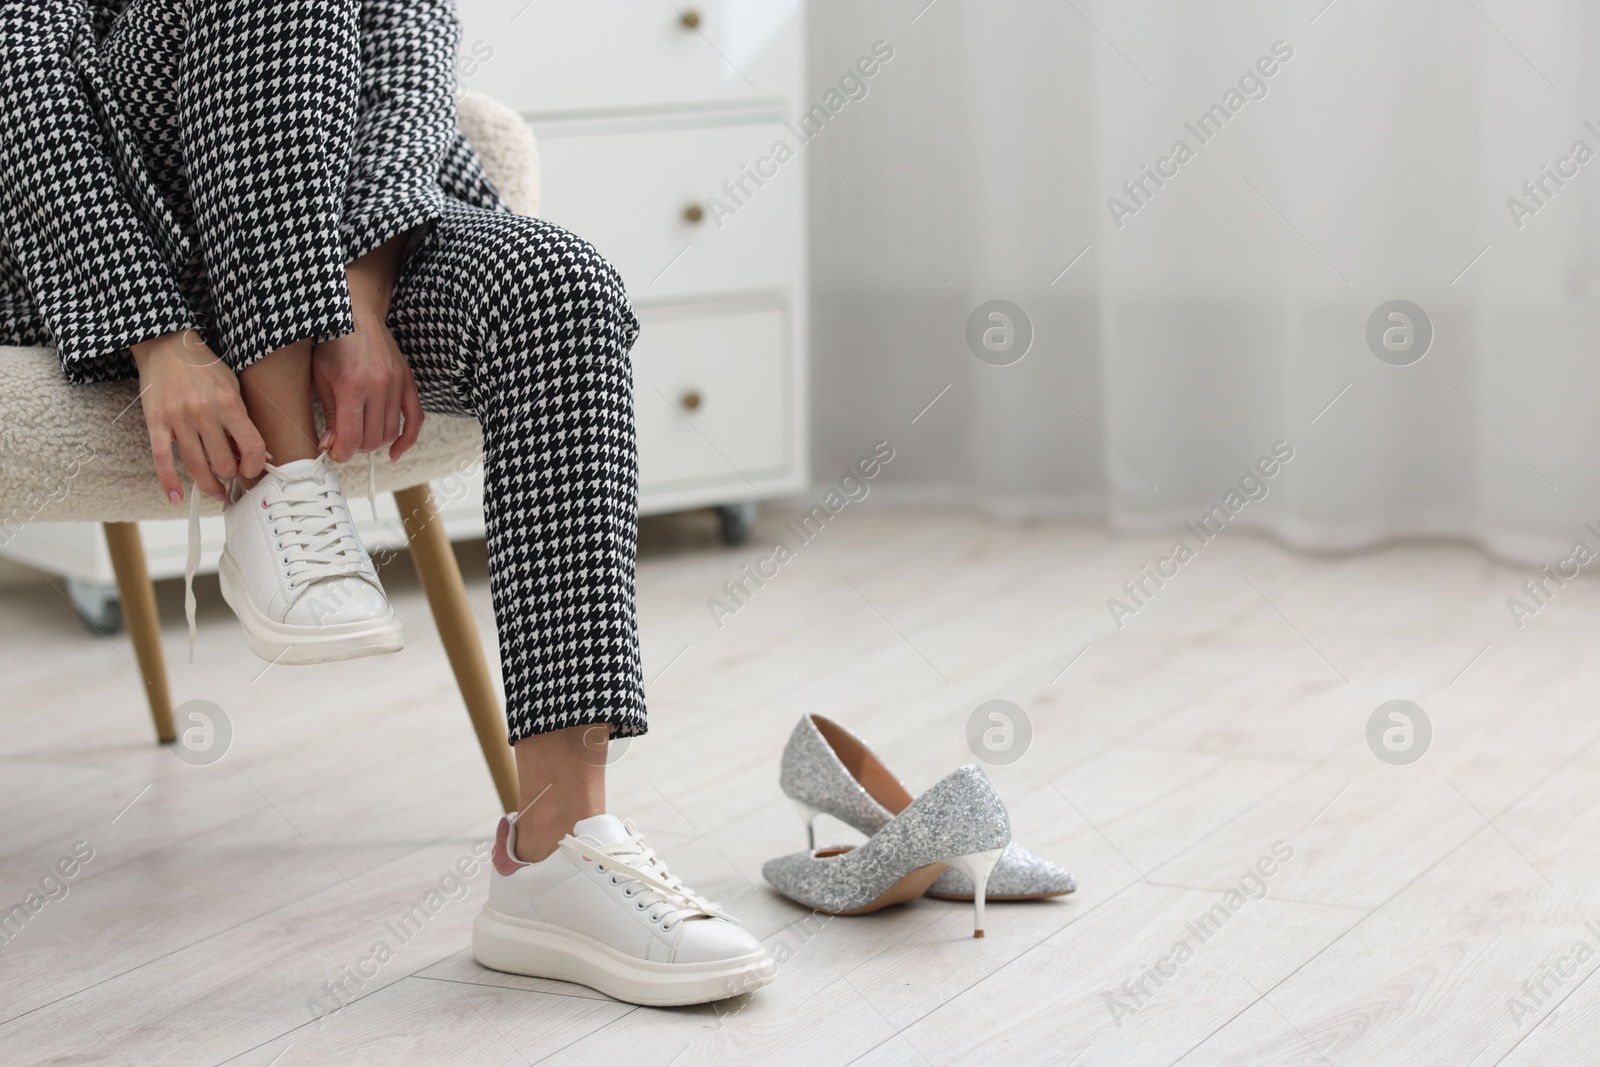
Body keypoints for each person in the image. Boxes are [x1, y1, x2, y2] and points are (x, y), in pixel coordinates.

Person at [0, 0, 774, 1006]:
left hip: (355, 226)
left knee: (561, 293)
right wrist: (157, 335)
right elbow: (18, 74)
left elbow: (408, 68)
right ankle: (282, 480)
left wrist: (358, 294)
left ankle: (557, 850)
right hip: (112, 235)